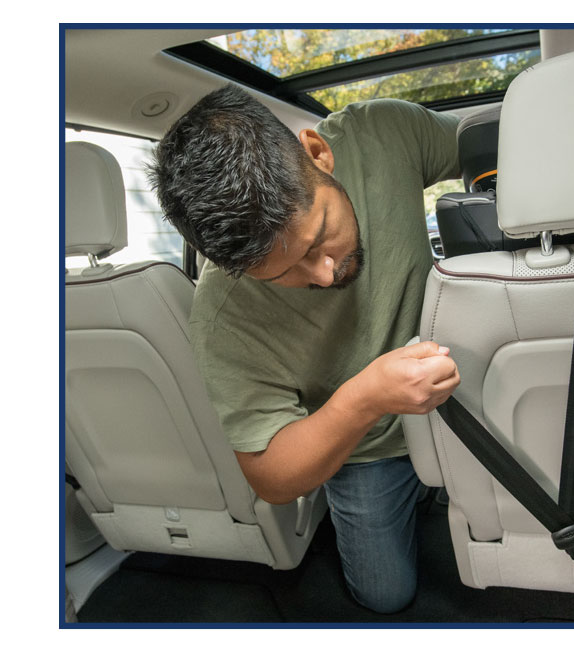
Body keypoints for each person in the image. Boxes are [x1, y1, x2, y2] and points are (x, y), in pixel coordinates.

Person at [149, 84, 463, 614]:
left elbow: (505, 147)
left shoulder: (383, 133)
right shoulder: (223, 318)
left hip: (470, 398)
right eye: (283, 273)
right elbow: (270, 477)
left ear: (318, 153)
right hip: (368, 450)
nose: (323, 274)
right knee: (385, 598)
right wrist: (364, 399)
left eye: (318, 239)